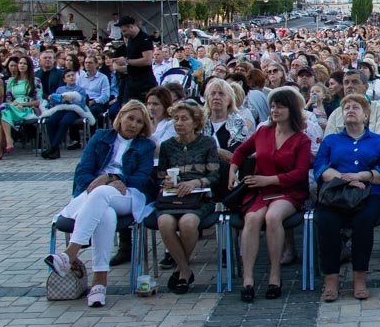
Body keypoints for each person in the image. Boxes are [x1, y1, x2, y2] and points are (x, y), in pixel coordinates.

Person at [43, 101, 155, 308]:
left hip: (128, 195)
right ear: (120, 117)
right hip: (93, 194)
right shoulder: (100, 137)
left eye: (139, 122)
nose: (133, 124)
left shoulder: (145, 145)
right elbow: (83, 171)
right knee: (106, 215)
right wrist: (99, 182)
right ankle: (99, 283)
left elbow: (142, 178)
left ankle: (70, 253)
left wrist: (110, 177)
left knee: (104, 192)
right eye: (130, 118)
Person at [228, 88, 313, 302]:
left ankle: (275, 274)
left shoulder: (302, 140)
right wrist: (232, 172)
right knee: (252, 218)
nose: (275, 110)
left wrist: (270, 179)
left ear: (291, 109)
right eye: (273, 106)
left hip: (287, 191)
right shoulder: (263, 132)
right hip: (260, 190)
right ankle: (248, 279)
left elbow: (300, 173)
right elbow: (240, 152)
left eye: (280, 106)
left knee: (273, 217)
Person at [313, 93, 380, 302]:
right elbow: (321, 168)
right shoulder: (331, 140)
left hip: (370, 192)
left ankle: (360, 278)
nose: (350, 109)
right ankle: (331, 280)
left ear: (365, 115)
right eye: (346, 107)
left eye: (355, 107)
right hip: (336, 193)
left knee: (363, 221)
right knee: (326, 221)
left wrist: (362, 176)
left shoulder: (379, 141)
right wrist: (345, 179)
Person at [153, 100, 221, 293]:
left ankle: (181, 271)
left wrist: (195, 183)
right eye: (176, 119)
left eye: (184, 119)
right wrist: (165, 180)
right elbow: (160, 174)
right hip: (172, 196)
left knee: (188, 224)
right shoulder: (167, 146)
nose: (179, 123)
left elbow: (214, 176)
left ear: (195, 121)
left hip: (198, 197)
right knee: (165, 223)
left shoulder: (207, 143)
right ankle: (184, 269)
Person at [0, 55, 41, 161]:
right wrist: (14, 104)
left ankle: (1, 145)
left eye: (24, 64)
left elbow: (38, 101)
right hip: (13, 107)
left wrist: (22, 105)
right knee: (5, 108)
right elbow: (9, 98)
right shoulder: (11, 81)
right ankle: (8, 140)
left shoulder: (35, 81)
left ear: (29, 66)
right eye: (20, 63)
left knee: (3, 110)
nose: (22, 66)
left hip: (27, 108)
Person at [113, 16, 157, 103]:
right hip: (131, 81)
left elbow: (147, 60)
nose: (123, 34)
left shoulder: (144, 39)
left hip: (144, 83)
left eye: (124, 31)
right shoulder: (130, 40)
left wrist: (126, 61)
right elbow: (132, 61)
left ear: (131, 26)